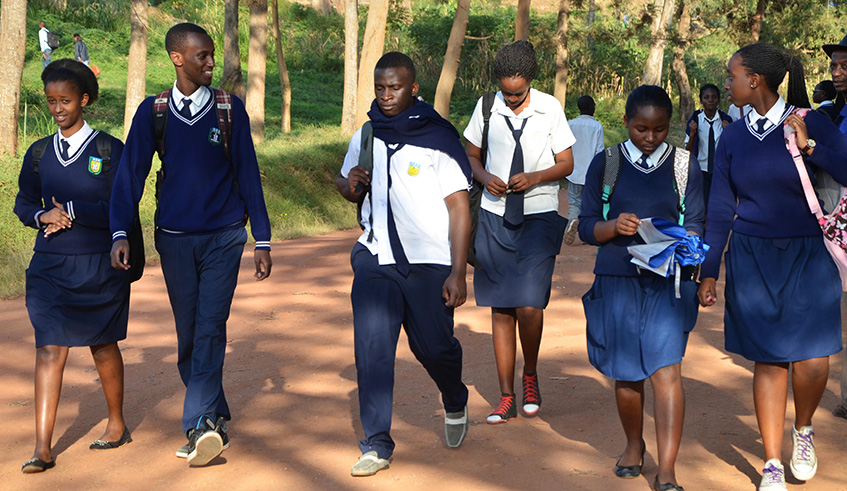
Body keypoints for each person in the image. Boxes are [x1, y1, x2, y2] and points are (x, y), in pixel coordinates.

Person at [109, 23, 273, 467]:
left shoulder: (228, 108)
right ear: (177, 58)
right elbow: (130, 176)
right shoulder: (153, 112)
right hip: (175, 241)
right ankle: (215, 418)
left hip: (224, 237)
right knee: (189, 335)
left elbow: (247, 172)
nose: (210, 63)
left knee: (210, 327)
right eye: (201, 56)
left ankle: (197, 424)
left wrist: (262, 236)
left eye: (212, 55)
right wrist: (120, 231)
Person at [699, 43, 847, 491]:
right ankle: (771, 461)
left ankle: (803, 430)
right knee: (769, 360)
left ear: (755, 81)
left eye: (732, 76)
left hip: (809, 252)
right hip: (752, 253)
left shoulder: (811, 119)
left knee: (813, 359)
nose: (727, 83)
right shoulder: (732, 136)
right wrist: (709, 269)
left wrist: (812, 144)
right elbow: (721, 205)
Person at [336, 51, 472, 477]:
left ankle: (454, 395)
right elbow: (347, 183)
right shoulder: (367, 134)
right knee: (373, 348)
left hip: (429, 262)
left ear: (414, 89)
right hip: (376, 257)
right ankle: (377, 442)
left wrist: (458, 271)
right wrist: (350, 185)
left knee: (433, 348)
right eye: (380, 88)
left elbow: (459, 208)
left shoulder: (438, 137)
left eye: (395, 87)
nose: (386, 95)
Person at [578, 85, 704, 491]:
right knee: (627, 375)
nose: (650, 138)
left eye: (660, 129)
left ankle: (667, 469)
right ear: (626, 123)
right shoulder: (606, 163)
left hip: (668, 282)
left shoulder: (685, 165)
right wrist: (614, 226)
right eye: (640, 129)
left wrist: (686, 241)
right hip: (617, 280)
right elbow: (585, 226)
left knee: (667, 371)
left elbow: (698, 221)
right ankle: (634, 444)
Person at [15, 59, 131, 474]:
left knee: (102, 345)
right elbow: (23, 202)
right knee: (48, 348)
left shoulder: (109, 149)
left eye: (65, 100)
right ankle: (42, 448)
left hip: (100, 265)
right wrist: (42, 216)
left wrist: (75, 211)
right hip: (49, 266)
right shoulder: (39, 152)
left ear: (83, 99)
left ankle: (116, 423)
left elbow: (123, 206)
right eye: (51, 101)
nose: (58, 108)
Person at [464, 40, 575, 424]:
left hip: (539, 216)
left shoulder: (550, 109)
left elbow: (567, 163)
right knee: (501, 308)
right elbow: (471, 154)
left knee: (529, 305)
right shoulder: (485, 107)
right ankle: (506, 395)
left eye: (519, 93)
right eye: (507, 93)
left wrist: (535, 177)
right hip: (495, 216)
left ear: (531, 83)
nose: (512, 99)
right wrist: (484, 178)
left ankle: (530, 375)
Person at [821, 34, 847, 421]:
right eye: (834, 67)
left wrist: (812, 148)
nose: (837, 73)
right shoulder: (836, 114)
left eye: (845, 67)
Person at [684, 84, 732, 209]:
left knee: (719, 205)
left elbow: (733, 149)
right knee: (702, 206)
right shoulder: (695, 120)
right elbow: (688, 151)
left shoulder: (726, 121)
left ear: (718, 99)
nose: (710, 100)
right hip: (701, 171)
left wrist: (728, 133)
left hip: (720, 170)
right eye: (706, 97)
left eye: (714, 97)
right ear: (701, 101)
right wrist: (693, 134)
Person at [564, 95, 604, 245]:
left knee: (574, 201)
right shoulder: (597, 126)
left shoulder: (570, 124)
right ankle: (588, 231)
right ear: (592, 108)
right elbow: (600, 151)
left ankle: (573, 220)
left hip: (573, 171)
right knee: (590, 203)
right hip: (591, 173)